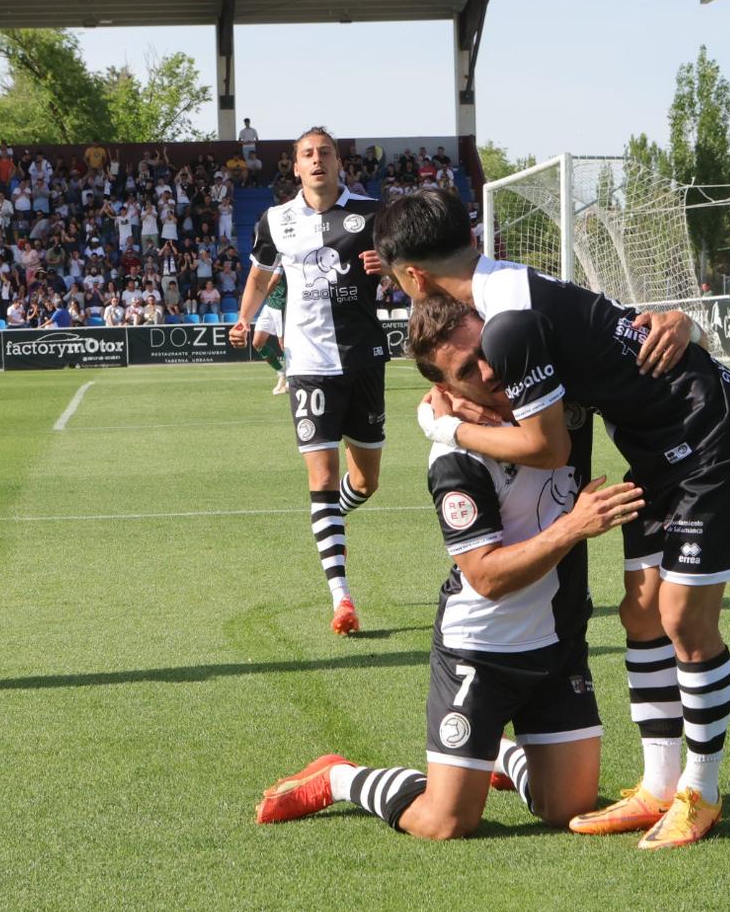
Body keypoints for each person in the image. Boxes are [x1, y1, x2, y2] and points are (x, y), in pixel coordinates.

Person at [374, 188, 730, 850]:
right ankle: (658, 786)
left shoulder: (506, 322)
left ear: (412, 277)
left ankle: (702, 791)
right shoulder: (509, 295)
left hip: (711, 440)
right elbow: (620, 330)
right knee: (640, 613)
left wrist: (445, 427)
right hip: (656, 450)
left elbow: (548, 447)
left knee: (682, 620)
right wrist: (685, 324)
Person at [258, 344, 644, 838]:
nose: (487, 373)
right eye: (466, 371)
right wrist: (573, 527)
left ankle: (496, 753)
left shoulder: (555, 399)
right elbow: (486, 578)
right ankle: (340, 777)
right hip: (482, 651)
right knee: (446, 822)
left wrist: (684, 329)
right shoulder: (455, 459)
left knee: (568, 808)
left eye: (488, 356)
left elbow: (622, 351)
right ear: (446, 391)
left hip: (559, 640)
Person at [227, 126, 389, 635]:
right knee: (319, 478)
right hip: (307, 362)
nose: (316, 161)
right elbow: (259, 276)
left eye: (325, 153)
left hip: (363, 357)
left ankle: (328, 517)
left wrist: (389, 265)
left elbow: (411, 270)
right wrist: (245, 318)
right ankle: (341, 598)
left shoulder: (374, 212)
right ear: (294, 167)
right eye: (307, 155)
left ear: (340, 163)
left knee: (365, 481)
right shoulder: (276, 220)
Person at [252, 273, 288, 395]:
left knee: (284, 344)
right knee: (257, 343)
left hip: (280, 305)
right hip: (269, 305)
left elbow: (274, 280)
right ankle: (281, 372)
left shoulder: (280, 257)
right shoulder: (266, 259)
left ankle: (291, 379)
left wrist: (260, 296)